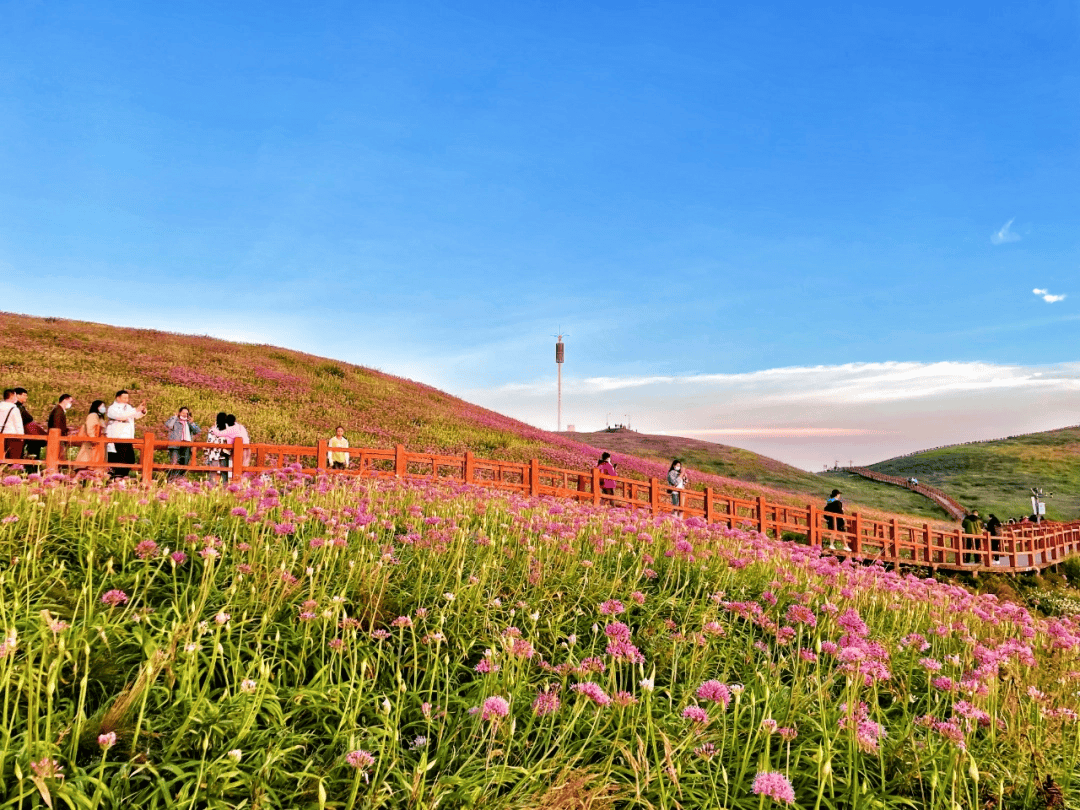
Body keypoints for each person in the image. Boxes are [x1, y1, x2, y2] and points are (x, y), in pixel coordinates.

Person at [105, 390, 147, 478]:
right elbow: (120, 416)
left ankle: (123, 476)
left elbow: (135, 415)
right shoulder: (112, 408)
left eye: (127, 397)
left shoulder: (128, 407)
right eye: (124, 398)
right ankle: (118, 477)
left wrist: (142, 411)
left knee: (130, 459)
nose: (126, 399)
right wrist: (135, 409)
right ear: (118, 398)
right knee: (121, 459)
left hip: (128, 437)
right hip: (118, 437)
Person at [163, 406, 201, 481]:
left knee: (184, 464)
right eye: (183, 412)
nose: (185, 414)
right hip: (175, 445)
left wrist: (192, 423)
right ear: (179, 413)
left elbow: (197, 430)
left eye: (186, 413)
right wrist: (174, 417)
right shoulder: (174, 420)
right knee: (174, 463)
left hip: (186, 446)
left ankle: (180, 481)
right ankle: (171, 481)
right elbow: (168, 426)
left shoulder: (189, 422)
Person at [73, 400, 108, 472]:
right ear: (97, 407)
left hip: (99, 443)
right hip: (93, 443)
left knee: (96, 461)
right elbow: (90, 428)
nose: (104, 408)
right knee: (88, 460)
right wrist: (94, 439)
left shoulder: (99, 417)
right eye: (102, 406)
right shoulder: (93, 416)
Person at [205, 412, 231, 482]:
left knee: (213, 473)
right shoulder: (229, 430)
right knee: (224, 473)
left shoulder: (212, 429)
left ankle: (211, 488)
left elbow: (209, 442)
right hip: (224, 453)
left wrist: (206, 455)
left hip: (214, 454)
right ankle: (224, 489)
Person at [0, 389, 24, 461]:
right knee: (13, 459)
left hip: (1, 434)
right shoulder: (14, 408)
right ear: (12, 396)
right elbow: (18, 424)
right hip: (12, 435)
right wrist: (21, 436)